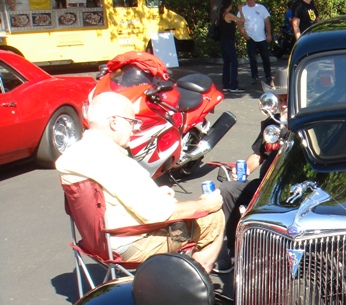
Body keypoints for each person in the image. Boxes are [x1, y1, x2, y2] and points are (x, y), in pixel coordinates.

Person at [56, 92, 225, 275]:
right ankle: (194, 284)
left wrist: (155, 193)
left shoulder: (72, 155)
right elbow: (159, 214)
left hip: (97, 243)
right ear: (114, 122)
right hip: (131, 244)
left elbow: (107, 197)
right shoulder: (114, 161)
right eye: (131, 122)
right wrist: (206, 205)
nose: (134, 129)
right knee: (213, 218)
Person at [215, 84, 288, 270]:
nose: (283, 104)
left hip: (291, 188)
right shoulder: (271, 124)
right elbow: (258, 154)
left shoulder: (304, 124)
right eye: (280, 100)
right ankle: (234, 252)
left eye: (287, 99)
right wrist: (244, 169)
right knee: (227, 190)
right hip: (264, 186)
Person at [238, 0, 273, 86]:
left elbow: (267, 21)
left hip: (262, 38)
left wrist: (269, 34)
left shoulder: (261, 7)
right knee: (252, 59)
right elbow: (239, 23)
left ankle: (268, 76)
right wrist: (245, 35)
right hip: (251, 38)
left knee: (266, 58)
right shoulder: (243, 9)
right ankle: (254, 77)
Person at [218, 0, 244, 93]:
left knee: (226, 62)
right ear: (229, 5)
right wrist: (240, 10)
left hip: (223, 40)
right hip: (228, 41)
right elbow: (242, 20)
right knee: (234, 62)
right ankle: (234, 85)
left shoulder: (221, 14)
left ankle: (226, 84)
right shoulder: (228, 15)